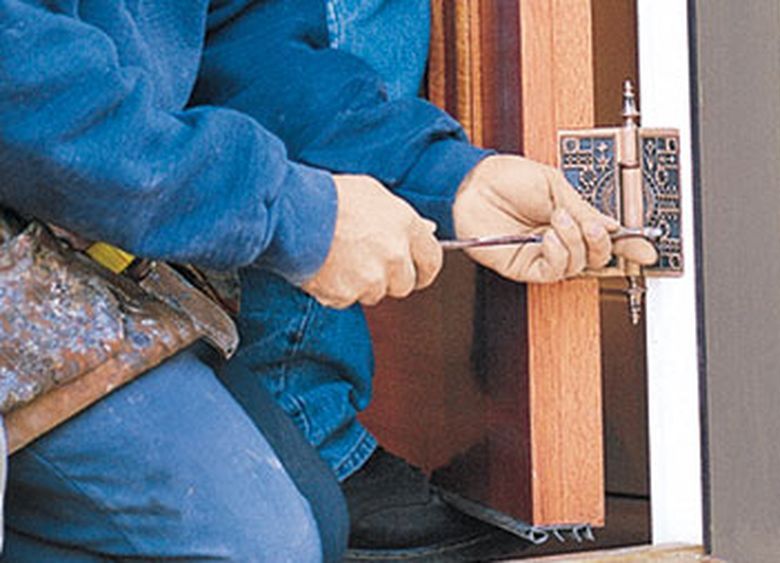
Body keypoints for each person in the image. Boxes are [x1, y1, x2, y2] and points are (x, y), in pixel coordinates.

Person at [0, 1, 655, 561]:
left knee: (314, 512)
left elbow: (247, 47)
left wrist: (446, 178)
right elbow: (24, 89)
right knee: (247, 539)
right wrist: (297, 216)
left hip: (59, 233)